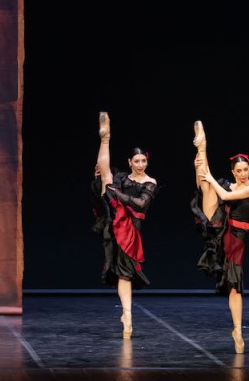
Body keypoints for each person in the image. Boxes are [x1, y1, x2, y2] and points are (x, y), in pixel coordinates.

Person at [191, 120, 249, 354]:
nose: (242, 174)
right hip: (219, 227)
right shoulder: (228, 184)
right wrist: (201, 171)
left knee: (234, 287)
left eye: (245, 169)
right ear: (233, 172)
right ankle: (202, 147)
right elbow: (207, 186)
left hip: (234, 240)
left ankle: (237, 330)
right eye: (238, 171)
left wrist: (209, 178)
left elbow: (227, 196)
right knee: (205, 187)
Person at [91, 111, 157, 339]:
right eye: (136, 161)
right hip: (115, 220)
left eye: (143, 161)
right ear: (130, 162)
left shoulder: (150, 182)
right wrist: (112, 189)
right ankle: (105, 138)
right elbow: (108, 178)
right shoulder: (122, 178)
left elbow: (141, 204)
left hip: (130, 230)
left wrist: (117, 194)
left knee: (124, 274)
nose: (140, 164)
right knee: (106, 177)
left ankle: (127, 315)